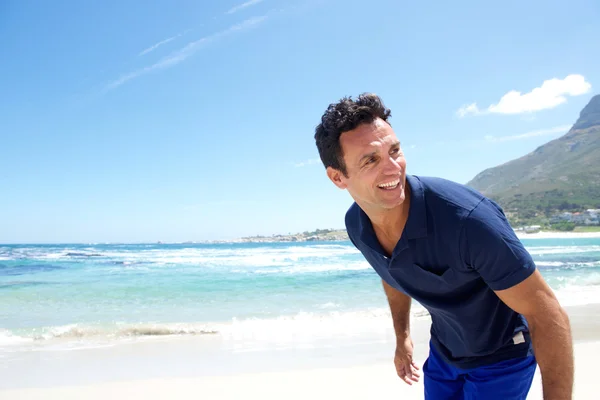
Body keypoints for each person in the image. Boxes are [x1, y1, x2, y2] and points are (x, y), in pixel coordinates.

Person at [313, 93, 574, 399]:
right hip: (444, 353)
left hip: (503, 358)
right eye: (371, 160)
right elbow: (391, 270)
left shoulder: (468, 222)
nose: (392, 168)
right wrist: (403, 336)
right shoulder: (358, 226)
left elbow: (547, 313)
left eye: (394, 151)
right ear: (337, 177)